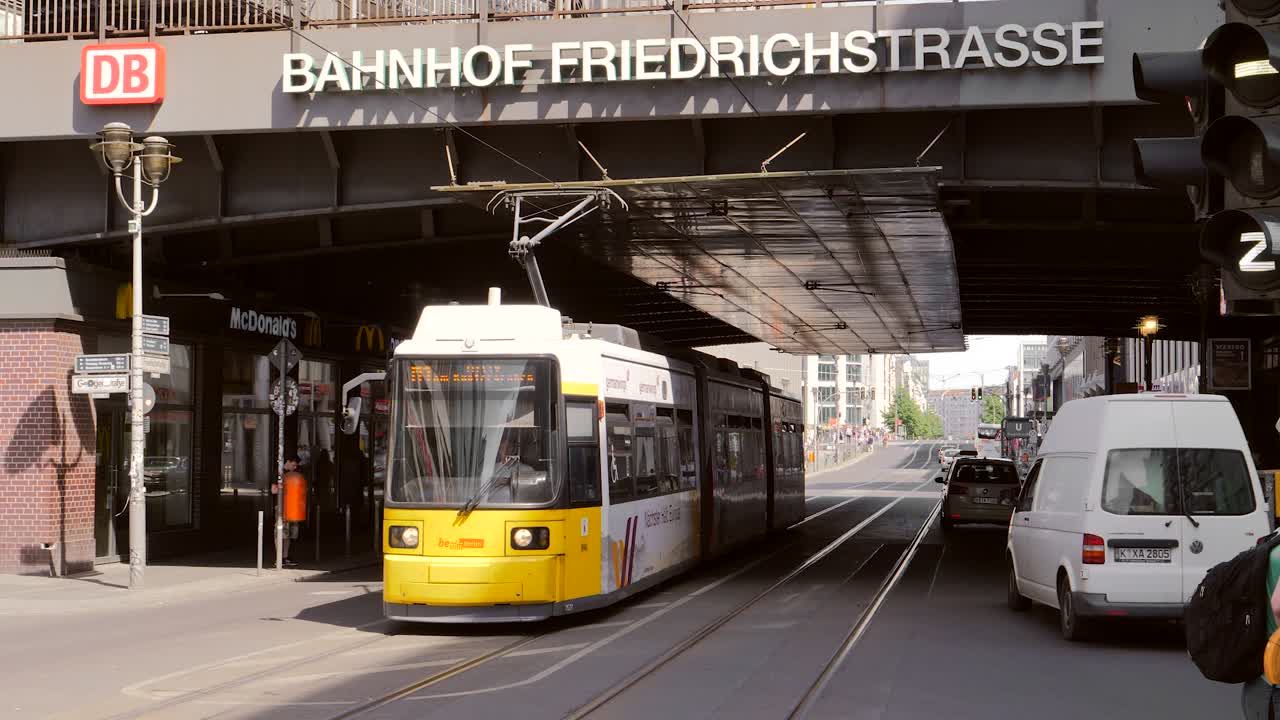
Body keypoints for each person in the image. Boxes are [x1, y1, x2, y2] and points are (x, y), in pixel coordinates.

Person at [271, 455, 304, 567]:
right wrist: (284, 487)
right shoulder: (279, 473)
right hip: (282, 507)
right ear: (288, 461)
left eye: (296, 466)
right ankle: (279, 557)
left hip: (292, 506)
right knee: (280, 531)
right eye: (293, 465)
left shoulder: (294, 474)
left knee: (289, 534)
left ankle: (285, 557)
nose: (294, 467)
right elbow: (274, 490)